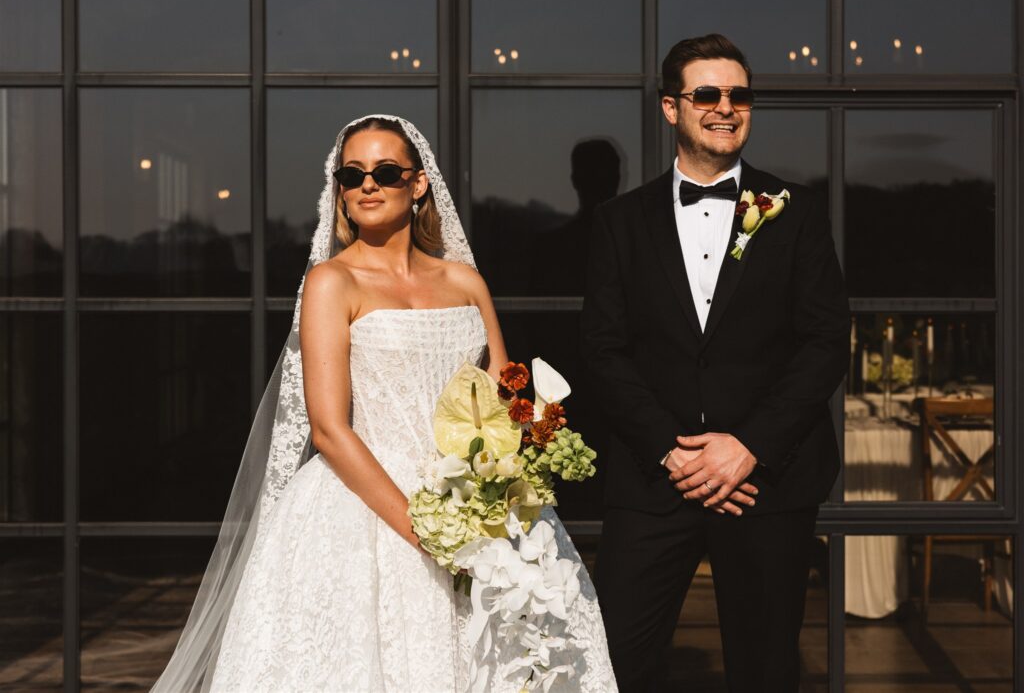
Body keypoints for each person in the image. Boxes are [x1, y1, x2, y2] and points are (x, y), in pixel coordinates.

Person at [153, 115, 615, 692]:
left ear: (417, 184)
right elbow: (328, 429)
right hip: (362, 508)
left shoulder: (466, 283)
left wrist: (504, 492)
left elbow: (506, 400)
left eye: (386, 172)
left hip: (479, 501)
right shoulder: (332, 282)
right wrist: (427, 533)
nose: (367, 185)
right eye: (352, 175)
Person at [581, 34, 849, 692]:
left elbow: (825, 342)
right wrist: (671, 453)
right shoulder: (619, 222)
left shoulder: (796, 212)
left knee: (765, 672)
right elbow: (603, 350)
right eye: (707, 94)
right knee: (618, 665)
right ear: (671, 107)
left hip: (765, 483)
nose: (726, 107)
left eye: (739, 95)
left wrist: (749, 446)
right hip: (653, 482)